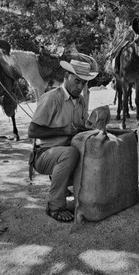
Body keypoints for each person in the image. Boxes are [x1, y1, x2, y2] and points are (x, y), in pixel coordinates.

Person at [28, 59, 98, 223]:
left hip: (65, 153)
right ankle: (55, 206)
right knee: (71, 153)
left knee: (96, 148)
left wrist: (96, 128)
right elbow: (32, 131)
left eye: (84, 83)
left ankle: (76, 191)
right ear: (66, 77)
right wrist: (62, 130)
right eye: (77, 81)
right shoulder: (51, 98)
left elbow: (82, 127)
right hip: (45, 155)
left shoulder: (81, 101)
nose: (80, 87)